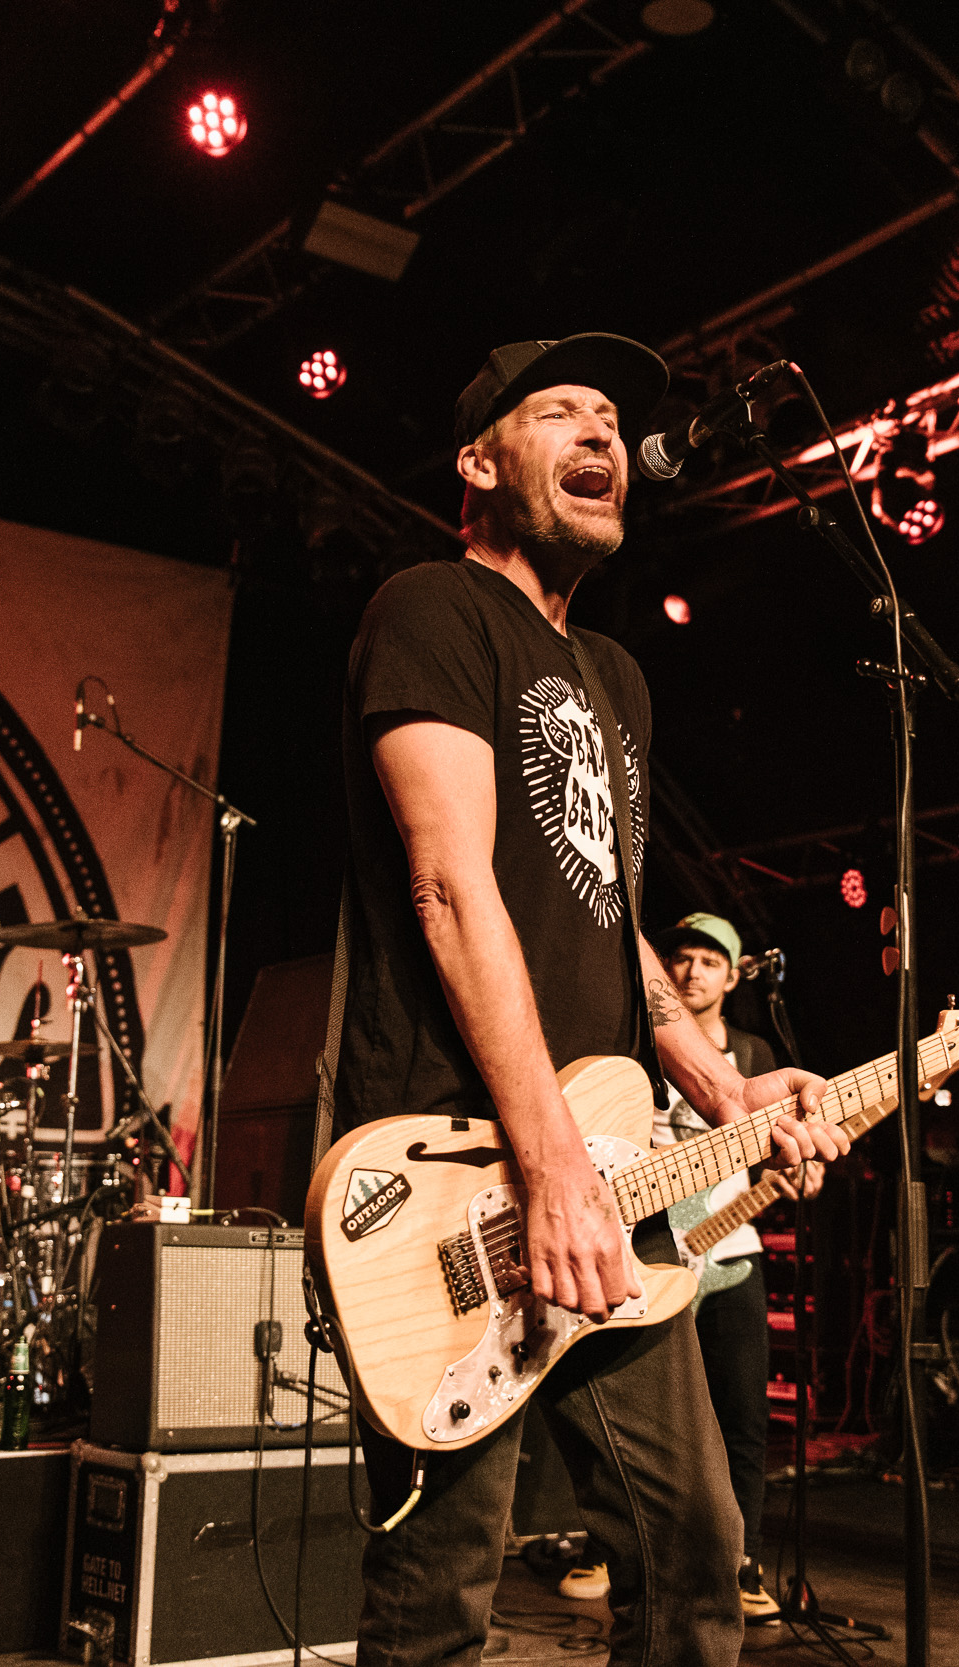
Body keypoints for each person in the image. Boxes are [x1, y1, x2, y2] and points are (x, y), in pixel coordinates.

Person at [334, 334, 848, 1667]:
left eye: (612, 416)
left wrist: (724, 1089)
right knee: (440, 1591)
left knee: (693, 1556)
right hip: (459, 1170)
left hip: (603, 1174)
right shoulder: (431, 608)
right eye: (561, 409)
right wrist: (549, 1163)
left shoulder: (616, 675)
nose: (603, 434)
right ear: (477, 461)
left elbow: (612, 927)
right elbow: (451, 886)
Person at [554, 910, 810, 1622]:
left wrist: (797, 1167)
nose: (692, 970)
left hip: (731, 1252)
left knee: (743, 1419)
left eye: (709, 960)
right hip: (642, 1246)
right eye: (681, 957)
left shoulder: (753, 1052)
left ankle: (744, 1564)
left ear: (734, 976)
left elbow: (772, 1142)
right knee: (622, 1420)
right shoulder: (635, 1040)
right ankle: (605, 1550)